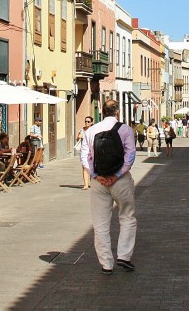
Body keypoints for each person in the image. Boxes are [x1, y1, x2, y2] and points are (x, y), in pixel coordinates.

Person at [80, 99, 136, 275]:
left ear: (101, 112)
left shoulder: (91, 130)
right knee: (127, 216)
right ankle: (124, 255)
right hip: (121, 180)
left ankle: (106, 264)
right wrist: (117, 175)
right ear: (117, 112)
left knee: (100, 223)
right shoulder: (125, 129)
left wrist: (95, 175)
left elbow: (85, 156)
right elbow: (130, 155)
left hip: (99, 182)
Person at [74, 117, 94, 189]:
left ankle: (92, 183)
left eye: (88, 121)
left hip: (92, 150)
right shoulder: (82, 130)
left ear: (91, 122)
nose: (86, 123)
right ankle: (86, 185)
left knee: (92, 167)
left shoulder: (93, 130)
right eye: (85, 121)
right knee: (84, 167)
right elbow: (77, 138)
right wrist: (79, 137)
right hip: (84, 151)